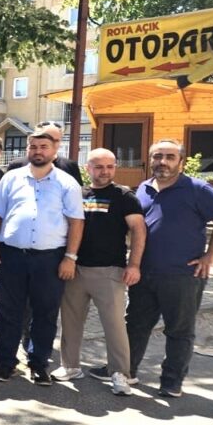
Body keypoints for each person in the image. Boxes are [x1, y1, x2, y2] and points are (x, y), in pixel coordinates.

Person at [112, 140, 213, 398]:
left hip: (182, 275)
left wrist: (211, 256)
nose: (162, 162)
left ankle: (171, 381)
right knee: (135, 325)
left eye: (169, 157)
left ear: (181, 162)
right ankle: (127, 370)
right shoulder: (143, 188)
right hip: (144, 273)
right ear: (150, 159)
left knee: (179, 330)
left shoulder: (197, 189)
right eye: (157, 156)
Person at [0, 128, 84, 386]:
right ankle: (6, 363)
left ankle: (39, 364)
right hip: (12, 256)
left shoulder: (67, 183)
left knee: (45, 312)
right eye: (33, 147)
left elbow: (76, 222)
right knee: (9, 311)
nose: (38, 151)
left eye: (43, 147)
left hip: (50, 259)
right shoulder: (11, 178)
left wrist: (70, 257)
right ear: (28, 149)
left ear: (54, 151)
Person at [57, 149, 145, 393]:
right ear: (88, 168)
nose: (105, 171)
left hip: (109, 271)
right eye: (99, 166)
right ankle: (70, 366)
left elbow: (138, 230)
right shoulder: (77, 194)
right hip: (75, 268)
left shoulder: (125, 196)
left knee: (114, 325)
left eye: (110, 166)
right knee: (70, 321)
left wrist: (134, 264)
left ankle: (120, 373)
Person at [4, 122, 83, 183]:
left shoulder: (70, 166)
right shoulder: (16, 166)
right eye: (48, 139)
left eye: (56, 140)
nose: (52, 143)